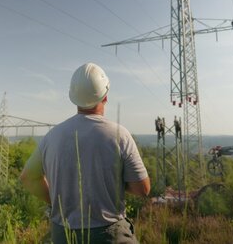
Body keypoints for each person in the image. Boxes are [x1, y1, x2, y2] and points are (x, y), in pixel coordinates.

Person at [20, 62, 150, 244]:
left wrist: (58, 201)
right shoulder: (120, 135)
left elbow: (27, 177)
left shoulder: (51, 136)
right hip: (109, 235)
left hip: (63, 234)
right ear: (105, 97)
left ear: (73, 98)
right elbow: (143, 189)